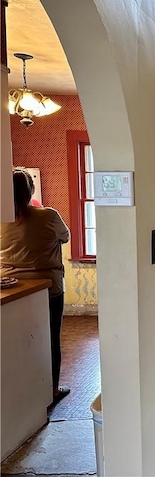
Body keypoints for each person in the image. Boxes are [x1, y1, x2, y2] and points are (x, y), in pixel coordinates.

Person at [1, 168, 71, 405]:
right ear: (30, 190)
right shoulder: (48, 216)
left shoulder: (2, 221)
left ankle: (22, 392)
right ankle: (51, 389)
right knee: (51, 339)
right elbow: (66, 236)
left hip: (10, 289)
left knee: (16, 343)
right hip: (49, 289)